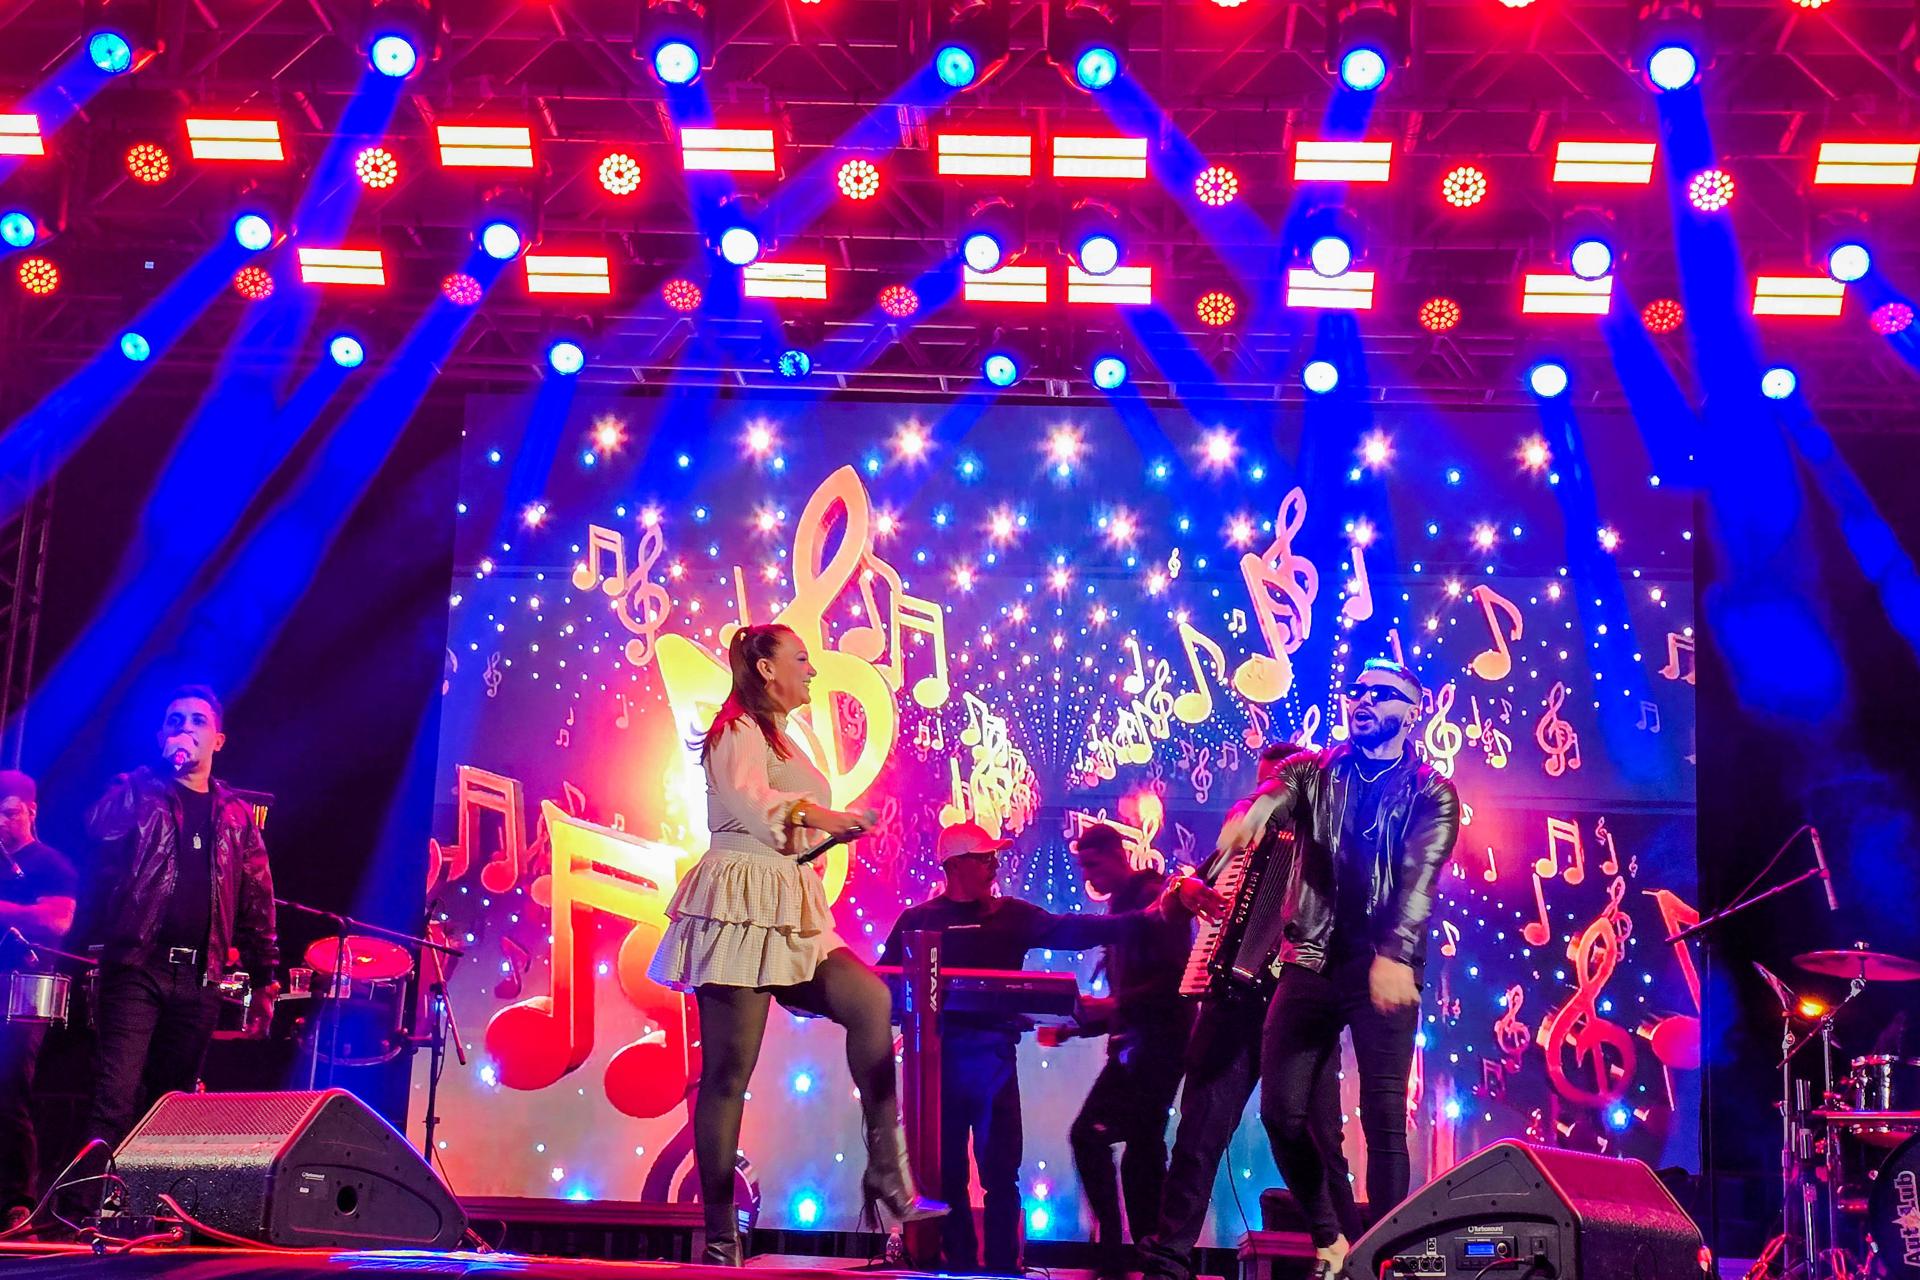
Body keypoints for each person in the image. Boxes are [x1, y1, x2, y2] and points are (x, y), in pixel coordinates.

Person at [647, 624, 942, 1266]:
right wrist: (822, 816)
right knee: (729, 1075)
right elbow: (756, 807)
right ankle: (721, 1236)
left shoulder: (782, 734)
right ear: (764, 668)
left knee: (869, 1000)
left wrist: (829, 832)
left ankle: (886, 1168)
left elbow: (786, 827)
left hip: (789, 900)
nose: (811, 670)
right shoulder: (734, 729)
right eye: (801, 659)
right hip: (738, 902)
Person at [1217, 659, 1460, 1277]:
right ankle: (1330, 1236)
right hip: (1313, 957)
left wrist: (1396, 954)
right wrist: (1252, 811)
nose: (1362, 700)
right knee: (1281, 1113)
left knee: (1385, 1122)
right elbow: (1275, 792)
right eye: (1357, 691)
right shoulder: (1316, 771)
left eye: (1380, 694)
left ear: (1412, 712)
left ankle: (1388, 1260)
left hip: (1383, 964)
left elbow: (1419, 880)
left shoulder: (1432, 792)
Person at [881, 821, 1148, 1274]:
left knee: (1001, 1174)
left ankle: (1004, 1267)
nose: (994, 864)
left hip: (995, 1061)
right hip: (936, 1065)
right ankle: (958, 1266)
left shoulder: (1012, 915)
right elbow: (884, 987)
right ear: (956, 865)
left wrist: (1148, 919)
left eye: (994, 857)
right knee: (946, 1177)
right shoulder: (918, 921)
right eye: (984, 857)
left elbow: (1073, 930)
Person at [1139, 743, 1363, 1280]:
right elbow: (1169, 902)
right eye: (1263, 787)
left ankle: (1354, 1256)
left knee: (1322, 1144)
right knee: (1198, 1136)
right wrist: (1184, 890)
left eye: (1278, 788)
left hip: (1302, 1012)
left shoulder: (1337, 845)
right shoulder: (1242, 841)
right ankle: (1170, 1261)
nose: (1268, 799)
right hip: (1232, 1005)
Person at [83, 687, 278, 1151]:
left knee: (170, 1105)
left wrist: (264, 977)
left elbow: (257, 897)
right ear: (161, 737)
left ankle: (147, 1196)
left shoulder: (236, 815)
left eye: (197, 721)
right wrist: (147, 776)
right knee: (115, 1098)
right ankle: (91, 1194)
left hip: (200, 977)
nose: (185, 729)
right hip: (137, 965)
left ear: (218, 740)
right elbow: (98, 828)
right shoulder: (139, 791)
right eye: (175, 721)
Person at [1063, 824, 1194, 1277]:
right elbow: (1133, 998)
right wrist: (1078, 1026)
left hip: (1157, 1045)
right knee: (1143, 1148)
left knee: (1101, 1138)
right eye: (1083, 867)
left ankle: (1119, 1252)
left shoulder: (1154, 899)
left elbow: (1176, 981)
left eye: (1093, 864)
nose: (1089, 876)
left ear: (1119, 855)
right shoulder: (1125, 906)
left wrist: (1113, 1007)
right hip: (1143, 1045)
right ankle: (1144, 1254)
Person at [0, 771, 77, 1228]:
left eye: (10, 813)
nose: (1, 822)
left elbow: (58, 920)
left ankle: (18, 1201)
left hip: (24, 990)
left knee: (9, 1089)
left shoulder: (50, 864)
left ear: (31, 811)